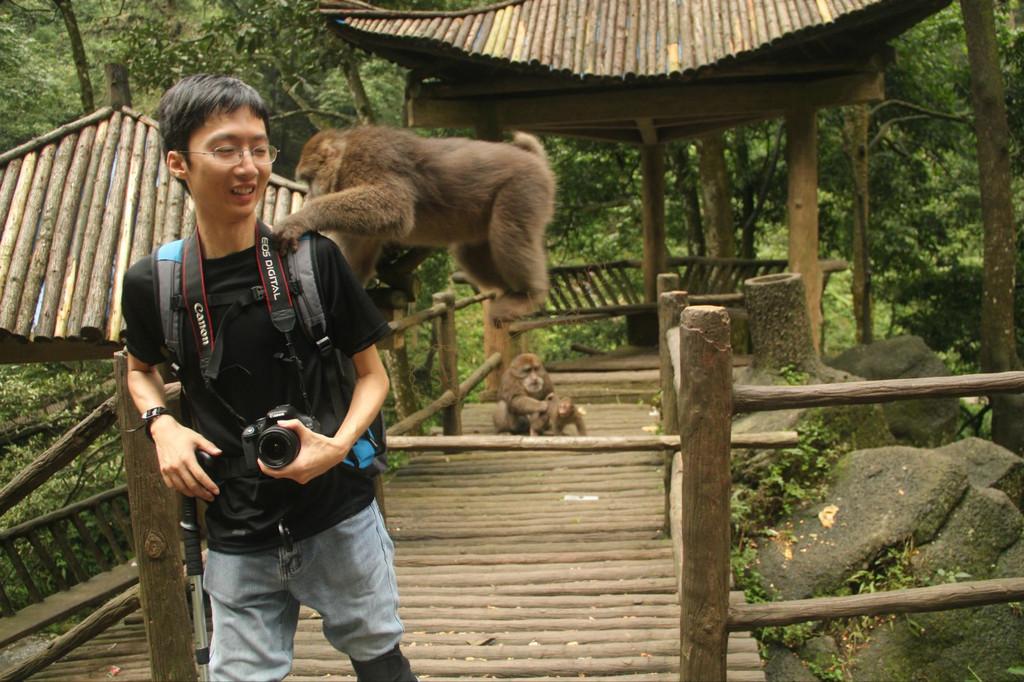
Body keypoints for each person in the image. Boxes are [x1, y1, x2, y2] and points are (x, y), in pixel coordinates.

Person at [121, 74, 416, 682]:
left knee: (381, 662)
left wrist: (335, 448)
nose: (248, 166)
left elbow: (372, 377)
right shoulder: (156, 282)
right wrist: (162, 426)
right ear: (179, 162)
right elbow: (139, 371)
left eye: (259, 148)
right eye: (226, 148)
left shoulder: (312, 259)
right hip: (234, 527)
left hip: (337, 512)